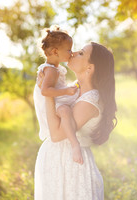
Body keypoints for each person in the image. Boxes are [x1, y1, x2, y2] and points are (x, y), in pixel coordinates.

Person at [34, 41, 117, 200]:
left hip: (70, 166)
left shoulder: (92, 100)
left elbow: (57, 135)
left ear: (89, 68)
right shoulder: (74, 88)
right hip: (55, 160)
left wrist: (49, 93)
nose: (73, 52)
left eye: (81, 53)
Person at [33, 26, 84, 165]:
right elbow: (45, 91)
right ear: (55, 51)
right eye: (68, 49)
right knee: (65, 111)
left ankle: (74, 142)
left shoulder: (53, 68)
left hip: (57, 98)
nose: (71, 52)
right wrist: (66, 91)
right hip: (52, 102)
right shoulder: (51, 70)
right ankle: (75, 144)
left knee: (68, 105)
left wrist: (67, 89)